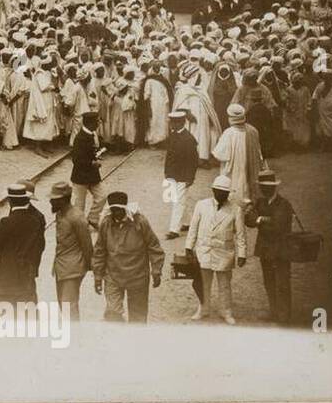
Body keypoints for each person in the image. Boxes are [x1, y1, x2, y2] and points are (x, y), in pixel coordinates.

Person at [92, 191, 163, 323]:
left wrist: (156, 270)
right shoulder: (106, 223)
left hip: (137, 277)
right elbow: (99, 251)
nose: (116, 214)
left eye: (119, 210)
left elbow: (154, 247)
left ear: (125, 209)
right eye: (113, 210)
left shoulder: (140, 222)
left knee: (138, 317)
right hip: (113, 276)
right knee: (112, 313)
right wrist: (98, 276)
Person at [186, 174, 248, 324]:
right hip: (204, 251)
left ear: (228, 194)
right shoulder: (201, 205)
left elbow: (240, 234)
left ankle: (226, 311)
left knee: (224, 285)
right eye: (218, 191)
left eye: (224, 192)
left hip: (224, 252)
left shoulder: (236, 209)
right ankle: (203, 308)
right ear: (213, 190)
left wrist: (242, 254)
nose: (221, 194)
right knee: (203, 283)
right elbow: (193, 228)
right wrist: (189, 247)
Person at [0, 184, 45, 305]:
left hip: (6, 278)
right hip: (26, 276)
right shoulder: (35, 221)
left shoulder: (5, 222)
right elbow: (40, 245)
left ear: (10, 201)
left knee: (5, 315)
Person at [49, 181, 92, 321]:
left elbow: (87, 245)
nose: (50, 202)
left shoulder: (77, 217)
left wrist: (90, 266)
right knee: (63, 305)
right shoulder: (60, 214)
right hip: (61, 268)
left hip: (73, 268)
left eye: (53, 200)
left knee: (69, 307)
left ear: (63, 200)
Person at [213, 103, 263, 206]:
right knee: (247, 189)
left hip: (234, 169)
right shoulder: (253, 131)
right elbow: (259, 152)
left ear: (231, 118)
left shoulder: (229, 133)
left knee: (235, 189)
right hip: (251, 168)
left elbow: (220, 155)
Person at [163, 110, 199, 239]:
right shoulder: (173, 135)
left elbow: (194, 160)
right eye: (171, 121)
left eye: (174, 122)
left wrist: (190, 177)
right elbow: (169, 156)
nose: (171, 124)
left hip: (183, 175)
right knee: (182, 199)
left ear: (181, 123)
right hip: (173, 174)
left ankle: (174, 230)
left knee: (178, 202)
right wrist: (167, 172)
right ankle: (188, 222)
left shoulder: (188, 139)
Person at [69, 111, 105, 229]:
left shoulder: (92, 134)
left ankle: (92, 219)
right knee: (79, 205)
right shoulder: (80, 138)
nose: (99, 123)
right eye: (97, 121)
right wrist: (92, 163)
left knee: (102, 197)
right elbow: (76, 160)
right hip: (81, 177)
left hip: (92, 176)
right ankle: (78, 228)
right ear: (90, 123)